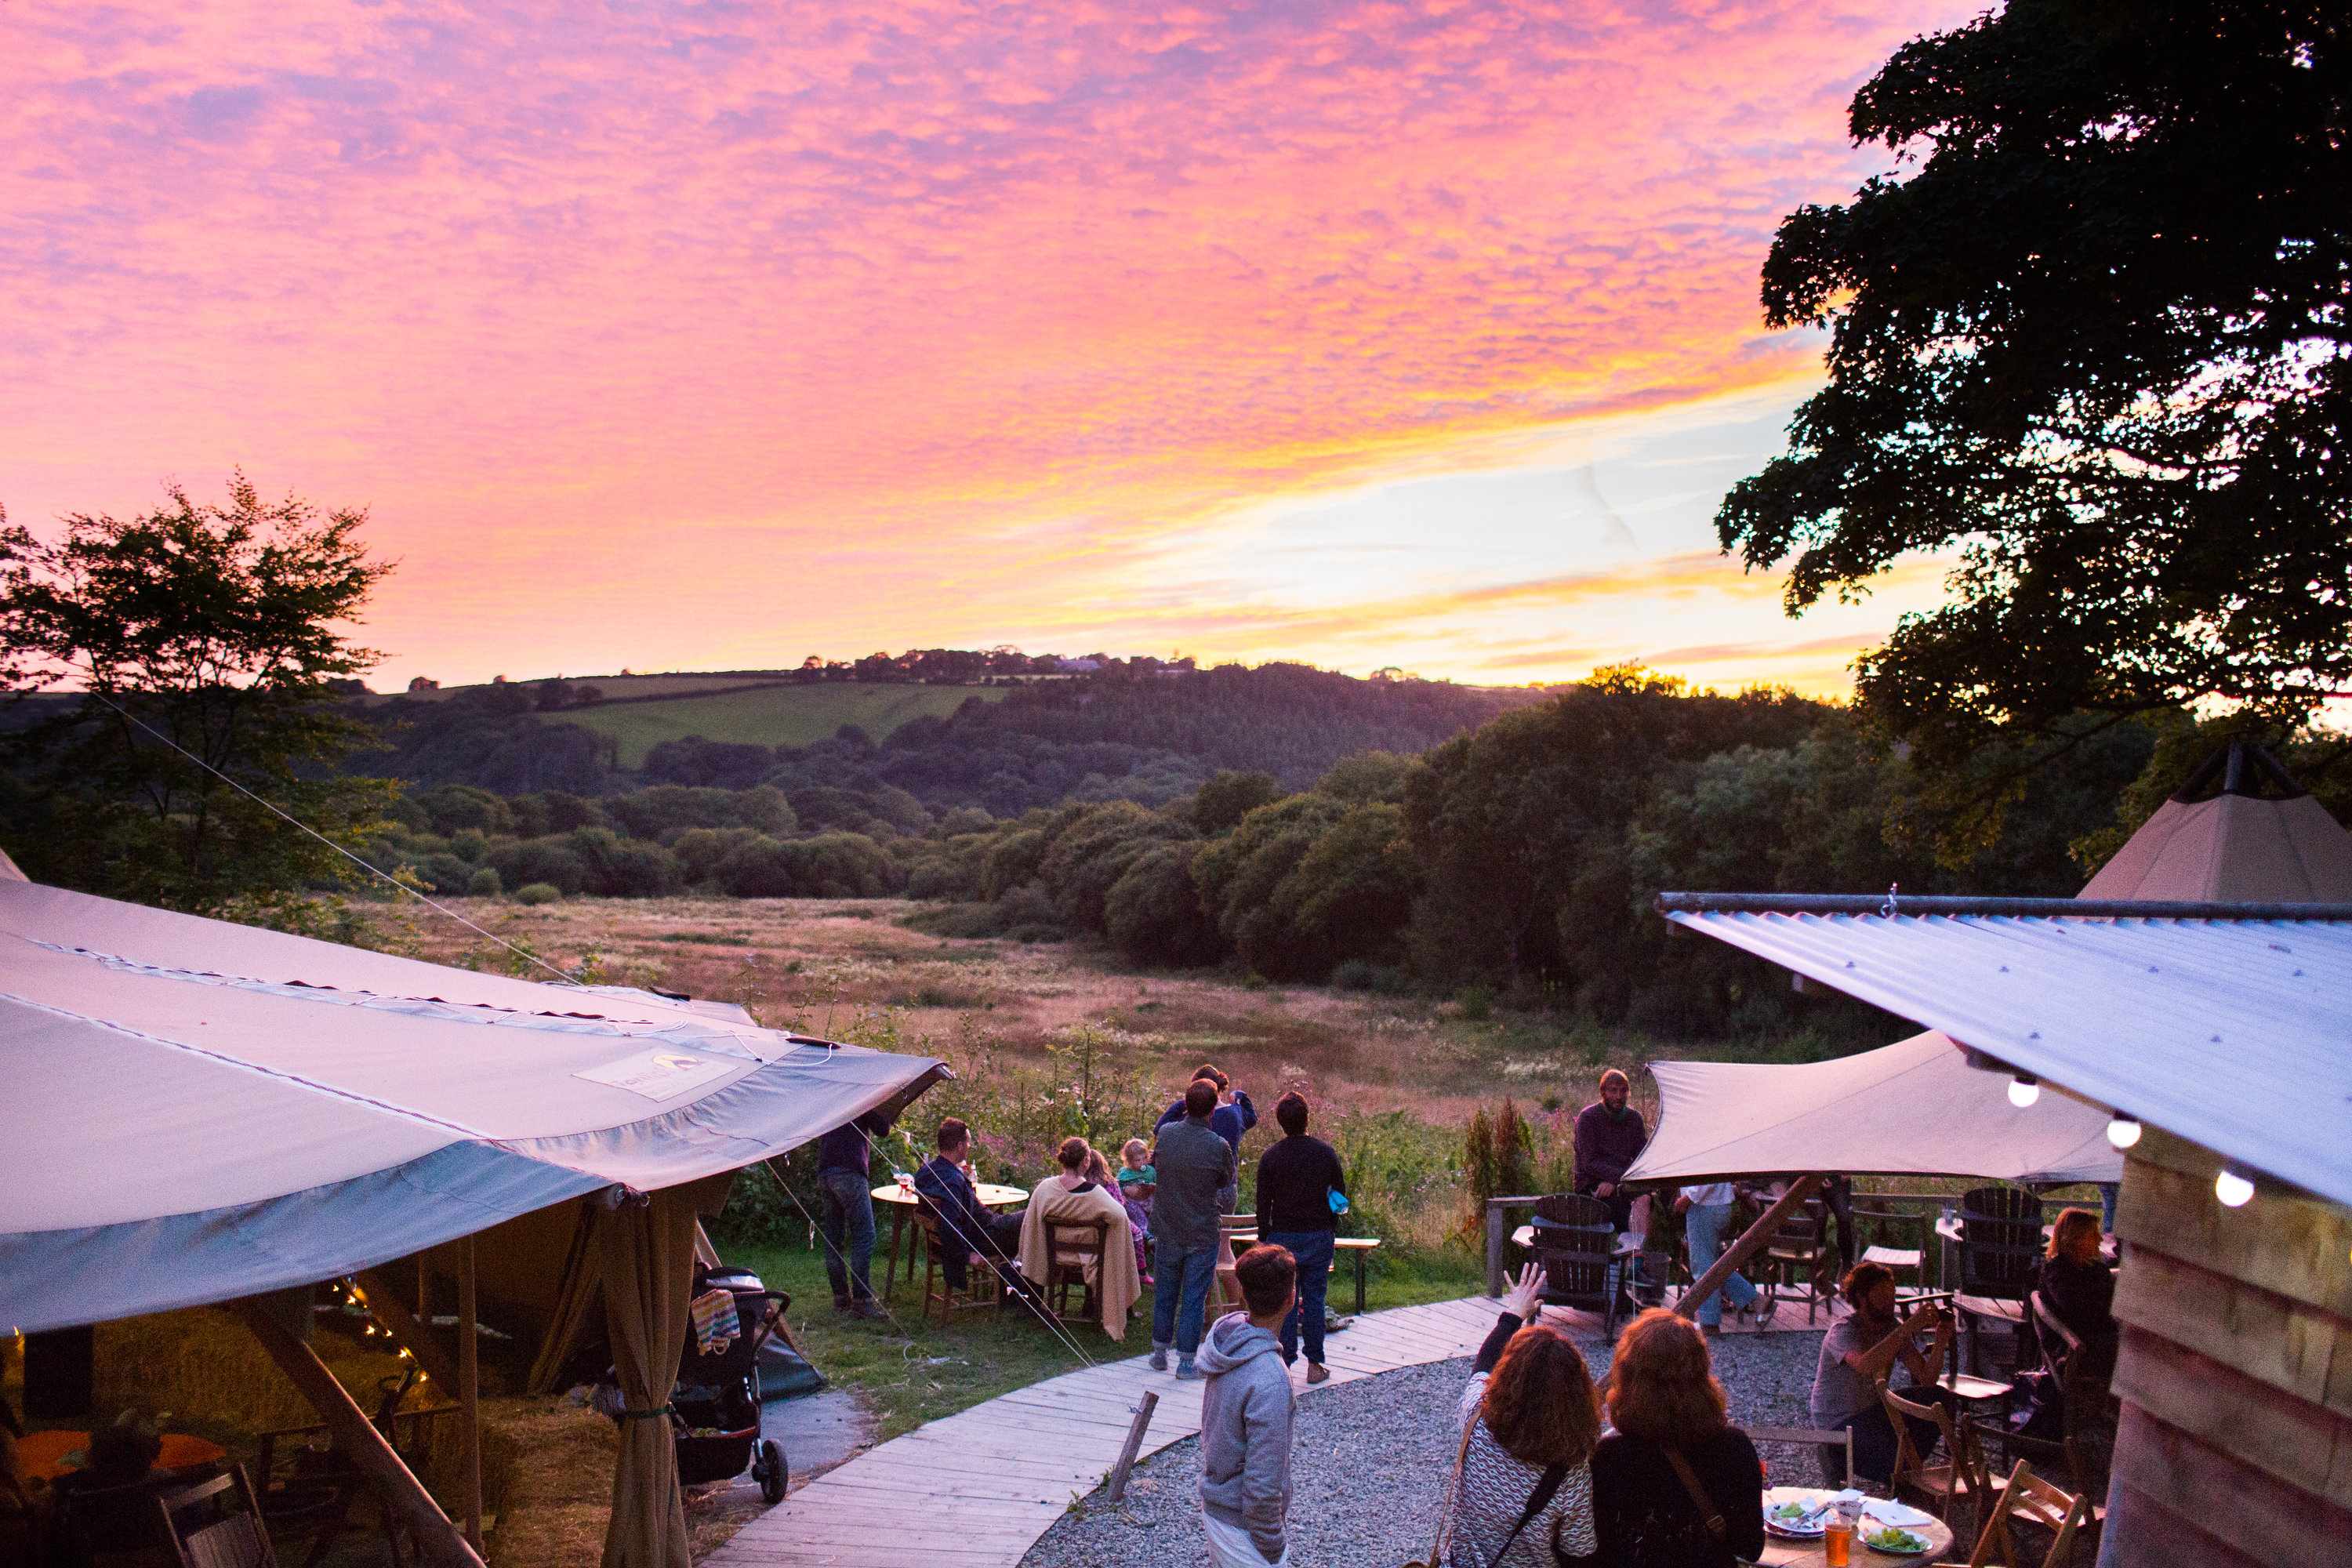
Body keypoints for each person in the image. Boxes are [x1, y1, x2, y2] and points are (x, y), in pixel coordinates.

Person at [1446, 1264, 1601, 1567]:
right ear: (1576, 1398)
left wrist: (1514, 1314)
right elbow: (1578, 1554)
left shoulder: (1476, 1418)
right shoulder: (1572, 1472)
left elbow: (1484, 1363)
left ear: (1507, 1377)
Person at [1590, 1308, 1767, 1567]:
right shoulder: (1735, 1447)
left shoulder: (1607, 1458)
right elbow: (1751, 1549)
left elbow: (1594, 1552)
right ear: (1702, 1375)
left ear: (1627, 1379)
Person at [1808, 1261, 1958, 1484]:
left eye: (1893, 1294)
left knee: (1941, 1399)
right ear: (1862, 1297)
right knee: (1895, 1459)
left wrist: (1941, 1340)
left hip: (1873, 1411)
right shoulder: (1843, 1330)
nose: (1890, 1302)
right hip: (1838, 1422)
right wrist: (1908, 1327)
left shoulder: (1892, 1327)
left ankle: (1907, 1470)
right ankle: (1836, 1457)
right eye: (1882, 1295)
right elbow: (1865, 1365)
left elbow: (1927, 1378)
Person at [1196, 1244, 1298, 1568]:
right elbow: (1262, 1486)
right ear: (1290, 1299)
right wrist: (1274, 1548)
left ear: (1243, 1293)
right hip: (1244, 1532)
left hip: (1217, 1513)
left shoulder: (1229, 1343)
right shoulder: (1271, 1378)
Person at [1254, 1091, 1346, 1384]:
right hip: (1318, 1234)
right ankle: (1315, 1365)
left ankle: (1285, 1363)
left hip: (1282, 1236)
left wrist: (1264, 1235)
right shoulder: (1325, 1153)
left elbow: (1262, 1202)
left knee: (1286, 1300)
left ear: (1280, 1122)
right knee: (1315, 1299)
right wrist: (1330, 1226)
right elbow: (1339, 1195)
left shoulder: (1271, 1157)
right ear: (1308, 1118)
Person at [1151, 1078, 1237, 1377]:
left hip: (1168, 1226)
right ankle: (1187, 1362)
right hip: (1202, 1232)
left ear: (1185, 1105)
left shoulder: (1166, 1133)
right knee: (1193, 1298)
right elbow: (1226, 1180)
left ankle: (1159, 1353)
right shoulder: (1218, 1146)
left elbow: (1156, 1164)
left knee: (1165, 1292)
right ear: (1213, 1110)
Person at [1018, 1138, 1143, 1338]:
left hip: (1053, 1256)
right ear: (1086, 1161)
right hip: (1089, 1260)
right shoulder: (1095, 1194)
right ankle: (1116, 1306)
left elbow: (1030, 1223)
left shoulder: (1045, 1188)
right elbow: (1120, 1217)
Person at [913, 1117, 1033, 1304]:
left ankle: (1012, 1283)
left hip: (983, 1226)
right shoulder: (953, 1180)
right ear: (959, 1146)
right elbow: (949, 1225)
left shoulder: (926, 1171)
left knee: (1026, 1224)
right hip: (985, 1234)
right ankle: (1027, 1291)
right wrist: (967, 1256)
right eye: (968, 1142)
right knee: (1034, 1215)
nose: (969, 1147)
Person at [815, 1106, 895, 1318]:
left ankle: (841, 1297)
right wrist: (888, 1107)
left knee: (834, 1237)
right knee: (864, 1235)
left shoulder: (835, 1092)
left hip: (825, 1170)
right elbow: (882, 1129)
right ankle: (861, 1302)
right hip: (849, 1170)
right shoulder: (863, 1096)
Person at [2034, 1207, 2117, 1385]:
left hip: (2098, 1335)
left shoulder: (2097, 1271)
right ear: (2075, 1239)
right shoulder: (2057, 1272)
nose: (2100, 1239)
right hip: (2072, 1344)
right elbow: (2075, 1311)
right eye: (2093, 1234)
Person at [1671, 1184, 1760, 1338]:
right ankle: (1757, 1300)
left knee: (1703, 1267)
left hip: (1704, 1207)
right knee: (1712, 1264)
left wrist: (1688, 1198)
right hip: (1717, 1206)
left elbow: (1706, 1180)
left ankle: (1710, 1324)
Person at [1571, 1069, 1649, 1240]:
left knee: (1646, 1197)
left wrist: (1616, 1181)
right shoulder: (1588, 1118)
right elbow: (1589, 1163)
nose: (1619, 1096)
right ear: (1603, 1093)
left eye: (1623, 1091)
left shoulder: (1634, 1119)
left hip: (1622, 1184)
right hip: (1592, 1186)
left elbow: (1642, 1159)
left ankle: (1636, 1253)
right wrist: (1619, 1178)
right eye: (1613, 1091)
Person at [1156, 1064, 1259, 1157]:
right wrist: (1239, 1094)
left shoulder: (1189, 1119)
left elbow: (1159, 1130)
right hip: (1227, 1172)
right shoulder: (1236, 1113)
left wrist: (1182, 1104)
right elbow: (1252, 1118)